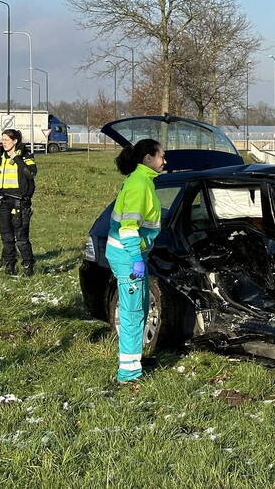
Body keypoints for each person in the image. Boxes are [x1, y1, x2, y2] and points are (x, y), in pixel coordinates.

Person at [108, 138, 165, 383]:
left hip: (133, 253)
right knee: (132, 313)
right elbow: (128, 227)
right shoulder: (139, 185)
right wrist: (135, 260)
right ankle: (128, 373)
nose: (165, 160)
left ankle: (135, 361)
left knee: (139, 308)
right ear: (148, 158)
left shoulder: (143, 182)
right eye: (161, 155)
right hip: (127, 254)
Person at [0, 129, 37, 276]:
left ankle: (28, 265)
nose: (4, 143)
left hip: (20, 202)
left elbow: (31, 173)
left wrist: (17, 158)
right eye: (2, 140)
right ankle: (9, 264)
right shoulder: (0, 155)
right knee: (6, 236)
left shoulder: (25, 154)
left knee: (21, 237)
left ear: (15, 141)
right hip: (3, 200)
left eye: (7, 140)